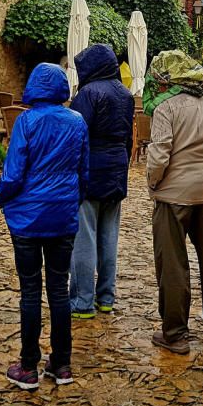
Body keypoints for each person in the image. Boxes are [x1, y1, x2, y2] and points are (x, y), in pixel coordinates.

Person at [0, 63, 89, 390]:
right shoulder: (77, 122)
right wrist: (69, 202)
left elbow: (13, 173)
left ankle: (28, 366)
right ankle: (62, 364)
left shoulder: (26, 121)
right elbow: (83, 171)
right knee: (59, 291)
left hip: (27, 219)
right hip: (62, 216)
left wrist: (1, 196)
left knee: (31, 291)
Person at [144, 50, 203, 355]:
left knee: (173, 264)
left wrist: (153, 183)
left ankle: (176, 334)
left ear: (168, 79)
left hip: (173, 195)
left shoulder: (165, 108)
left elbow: (159, 155)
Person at [69, 44, 135, 319]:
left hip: (90, 170)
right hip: (116, 168)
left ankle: (83, 301)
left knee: (84, 237)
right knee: (109, 237)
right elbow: (129, 137)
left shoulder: (88, 93)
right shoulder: (125, 94)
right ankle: (106, 297)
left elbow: (76, 134)